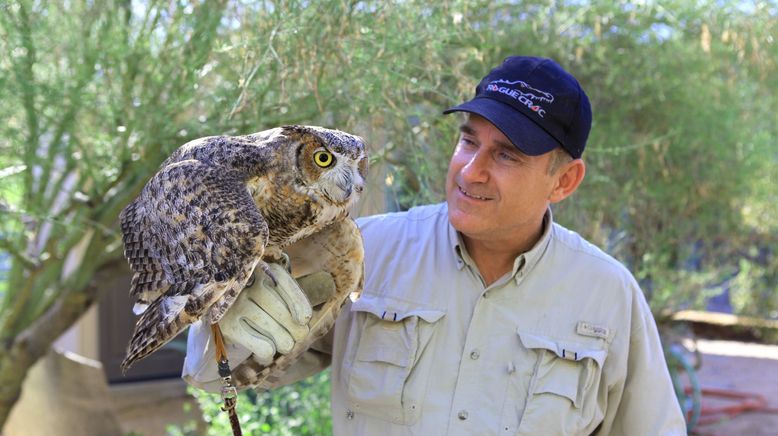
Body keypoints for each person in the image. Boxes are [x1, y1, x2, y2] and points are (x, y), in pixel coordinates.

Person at [183, 56, 687, 435]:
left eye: (507, 155)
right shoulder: (360, 252)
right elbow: (217, 377)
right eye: (469, 141)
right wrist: (225, 322)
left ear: (564, 181)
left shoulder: (608, 296)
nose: (472, 170)